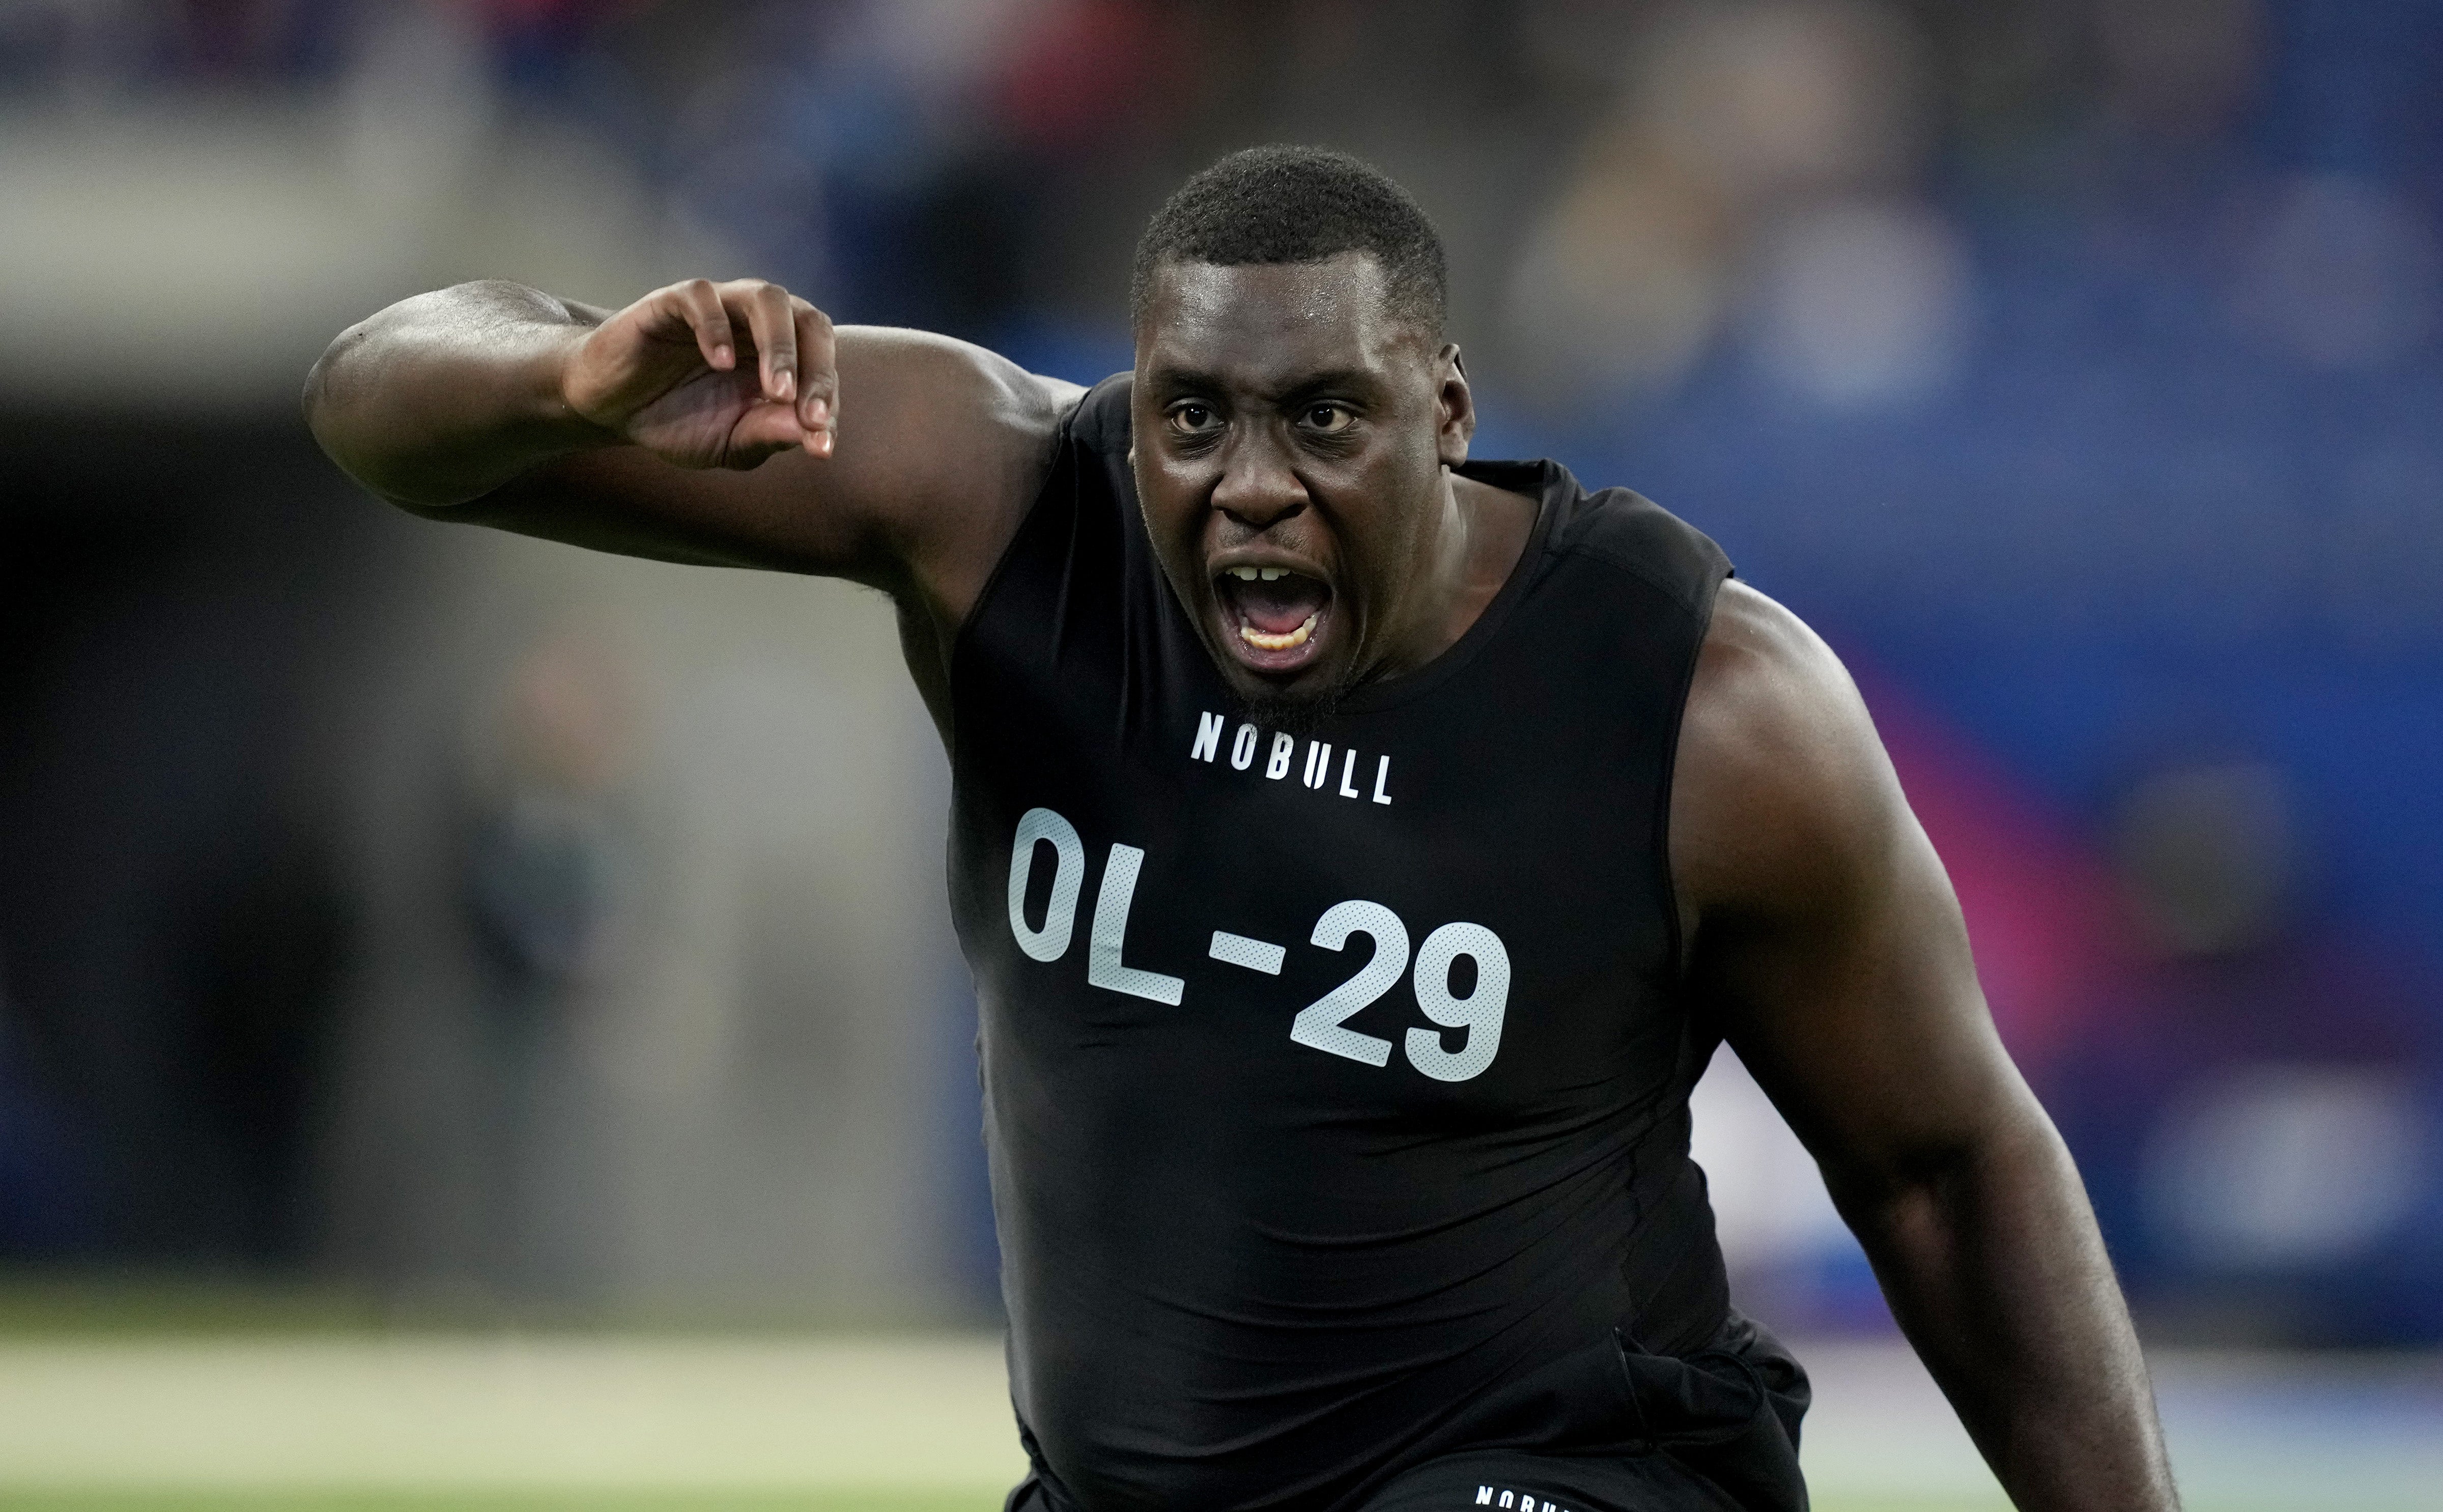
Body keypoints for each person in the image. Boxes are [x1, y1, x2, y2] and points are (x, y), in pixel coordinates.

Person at [306, 146, 2178, 1512]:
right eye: (1192, 417)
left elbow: (1945, 1165)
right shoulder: (1005, 504)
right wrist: (558, 380)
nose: (1250, 487)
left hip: (1576, 1478)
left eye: (1324, 418)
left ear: (1444, 413)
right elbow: (374, 405)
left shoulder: (1707, 705)